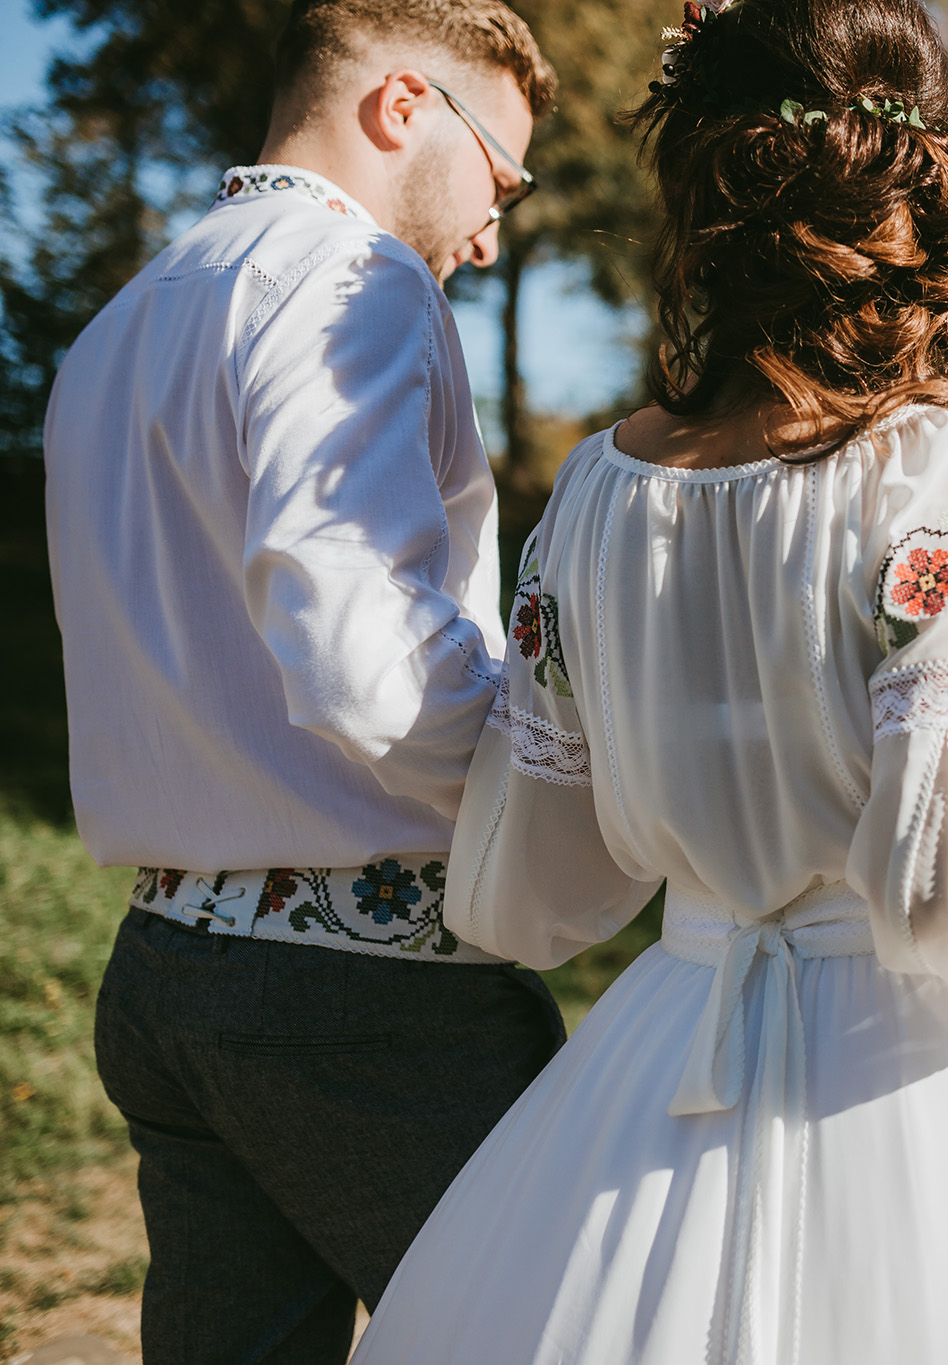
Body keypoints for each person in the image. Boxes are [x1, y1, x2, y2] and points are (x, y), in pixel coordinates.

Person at [353, 1, 948, 1361]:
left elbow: (536, 886)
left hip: (669, 1050)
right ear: (917, 200)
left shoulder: (600, 493)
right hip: (920, 1085)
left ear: (705, 201)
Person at [42, 2, 561, 1358]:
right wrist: (548, 780)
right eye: (502, 176)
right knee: (576, 1324)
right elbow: (362, 652)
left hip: (166, 971)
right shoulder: (356, 280)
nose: (495, 229)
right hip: (365, 990)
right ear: (403, 106)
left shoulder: (116, 328)